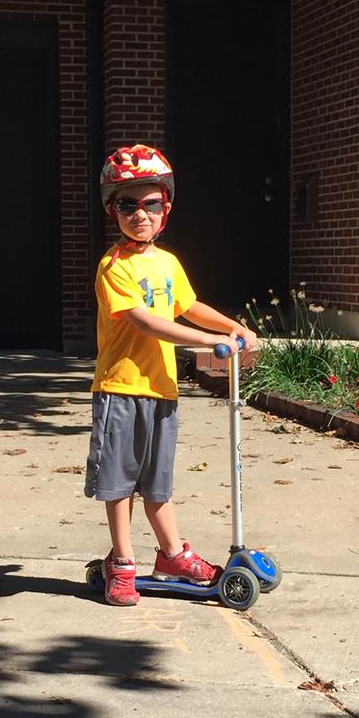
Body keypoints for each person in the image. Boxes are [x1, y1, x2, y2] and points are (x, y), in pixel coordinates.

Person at [85, 144, 257, 606]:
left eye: (151, 204)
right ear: (113, 210)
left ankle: (173, 554)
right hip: (121, 388)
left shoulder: (167, 262)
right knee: (119, 483)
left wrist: (234, 328)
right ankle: (122, 562)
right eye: (127, 205)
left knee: (158, 483)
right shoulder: (114, 267)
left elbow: (188, 305)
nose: (140, 214)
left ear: (166, 208)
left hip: (161, 389)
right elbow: (145, 322)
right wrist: (206, 341)